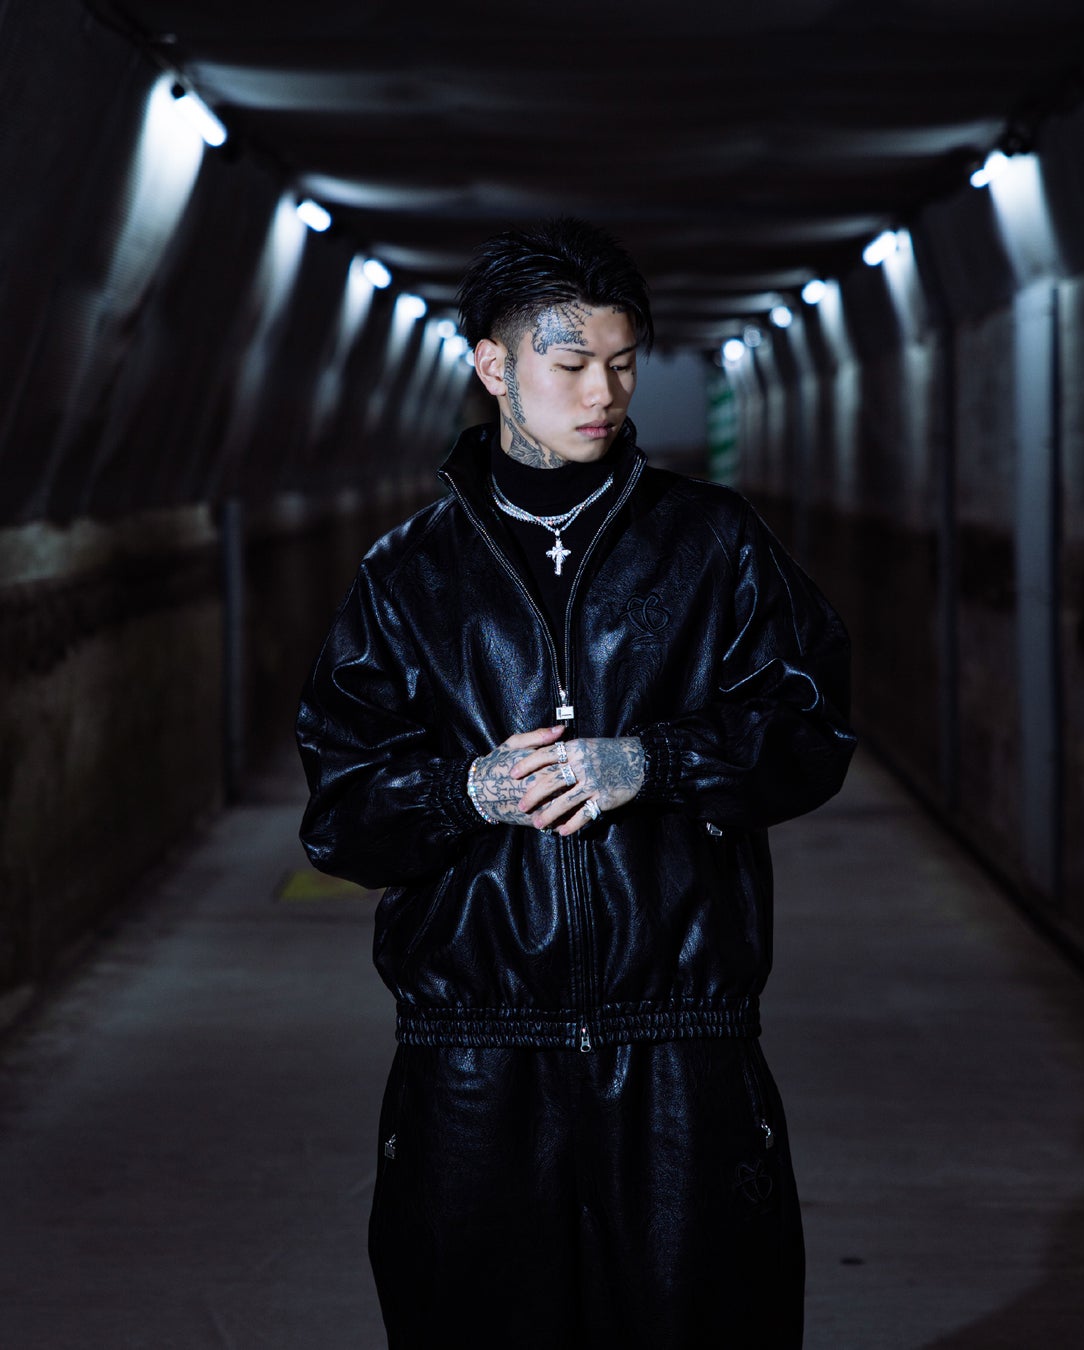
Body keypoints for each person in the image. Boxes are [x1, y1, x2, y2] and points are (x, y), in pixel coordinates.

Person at [297, 217, 855, 1349]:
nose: (603, 392)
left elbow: (810, 731)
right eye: (569, 363)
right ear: (493, 365)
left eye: (623, 361)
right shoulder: (408, 576)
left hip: (680, 1042)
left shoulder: (712, 544)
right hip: (472, 1053)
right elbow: (341, 816)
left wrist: (653, 761)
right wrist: (465, 793)